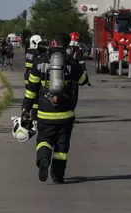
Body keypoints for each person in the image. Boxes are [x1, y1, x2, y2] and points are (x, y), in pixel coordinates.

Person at [22, 34, 89, 184]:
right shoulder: (70, 61)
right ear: (66, 45)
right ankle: (58, 176)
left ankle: (44, 159)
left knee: (44, 139)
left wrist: (26, 108)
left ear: (53, 43)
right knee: (62, 146)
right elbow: (83, 80)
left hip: (45, 113)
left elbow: (31, 89)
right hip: (65, 115)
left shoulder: (40, 61)